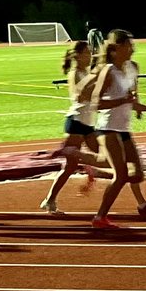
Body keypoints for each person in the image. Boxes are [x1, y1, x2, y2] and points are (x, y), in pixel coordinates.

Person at [89, 29, 146, 230]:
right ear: (116, 49)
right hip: (108, 129)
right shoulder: (108, 71)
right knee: (122, 176)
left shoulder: (133, 68)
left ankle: (104, 174)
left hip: (123, 129)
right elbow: (95, 103)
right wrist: (120, 101)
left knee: (138, 174)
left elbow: (133, 101)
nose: (133, 48)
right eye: (129, 45)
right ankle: (100, 217)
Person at [41, 41, 110, 215]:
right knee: (70, 166)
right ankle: (50, 199)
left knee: (104, 156)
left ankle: (89, 168)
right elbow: (78, 97)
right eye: (86, 53)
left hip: (87, 123)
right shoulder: (74, 73)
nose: (90, 56)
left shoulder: (85, 72)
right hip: (76, 122)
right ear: (77, 56)